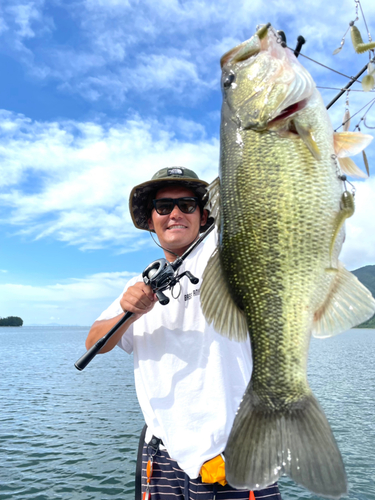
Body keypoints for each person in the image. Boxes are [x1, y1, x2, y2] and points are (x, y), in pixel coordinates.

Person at [85, 166, 282, 500]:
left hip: (237, 454)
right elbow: (93, 343)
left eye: (187, 205)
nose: (175, 213)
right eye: (163, 207)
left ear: (204, 216)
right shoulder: (138, 286)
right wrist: (128, 311)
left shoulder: (229, 256)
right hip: (162, 458)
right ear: (151, 220)